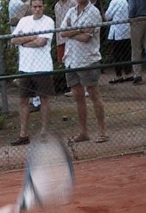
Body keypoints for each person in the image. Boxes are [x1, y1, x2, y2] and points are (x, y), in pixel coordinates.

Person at [61, 0, 108, 143]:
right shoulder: (71, 11)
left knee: (94, 94)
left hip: (88, 59)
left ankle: (102, 132)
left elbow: (87, 37)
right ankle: (84, 132)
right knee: (78, 96)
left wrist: (72, 31)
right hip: (71, 59)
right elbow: (62, 32)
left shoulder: (93, 12)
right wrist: (79, 29)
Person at [10, 0, 55, 145]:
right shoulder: (24, 21)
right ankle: (23, 133)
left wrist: (25, 42)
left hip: (42, 67)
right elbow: (14, 39)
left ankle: (44, 132)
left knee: (44, 99)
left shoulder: (48, 21)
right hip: (25, 67)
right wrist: (31, 37)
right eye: (35, 7)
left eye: (40, 6)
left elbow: (41, 42)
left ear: (43, 7)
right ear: (31, 7)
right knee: (23, 100)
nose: (37, 9)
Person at [9, 0, 41, 112]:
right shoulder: (25, 5)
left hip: (30, 43)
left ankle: (37, 101)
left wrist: (14, 20)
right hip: (26, 40)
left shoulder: (25, 5)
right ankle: (36, 100)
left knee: (33, 72)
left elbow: (14, 21)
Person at [105, 0, 133, 84]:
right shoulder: (126, 2)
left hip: (117, 32)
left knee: (116, 54)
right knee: (126, 53)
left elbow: (107, 16)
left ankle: (119, 75)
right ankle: (127, 73)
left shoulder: (114, 2)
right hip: (126, 31)